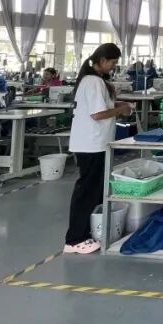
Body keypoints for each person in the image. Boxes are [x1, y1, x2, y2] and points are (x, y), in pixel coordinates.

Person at [65, 43, 132, 255]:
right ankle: (75, 239)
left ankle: (85, 233)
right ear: (102, 60)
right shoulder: (93, 81)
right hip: (91, 144)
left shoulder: (92, 80)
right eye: (112, 62)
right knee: (87, 192)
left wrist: (117, 105)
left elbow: (99, 108)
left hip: (94, 143)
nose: (113, 66)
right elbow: (97, 114)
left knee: (93, 191)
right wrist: (120, 109)